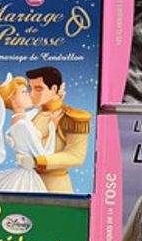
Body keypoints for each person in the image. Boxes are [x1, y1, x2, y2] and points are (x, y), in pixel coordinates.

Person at [14, 66, 91, 194]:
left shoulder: (72, 118)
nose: (32, 94)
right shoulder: (31, 116)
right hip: (28, 184)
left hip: (55, 186)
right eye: (31, 88)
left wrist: (38, 161)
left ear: (54, 89)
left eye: (38, 89)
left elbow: (76, 156)